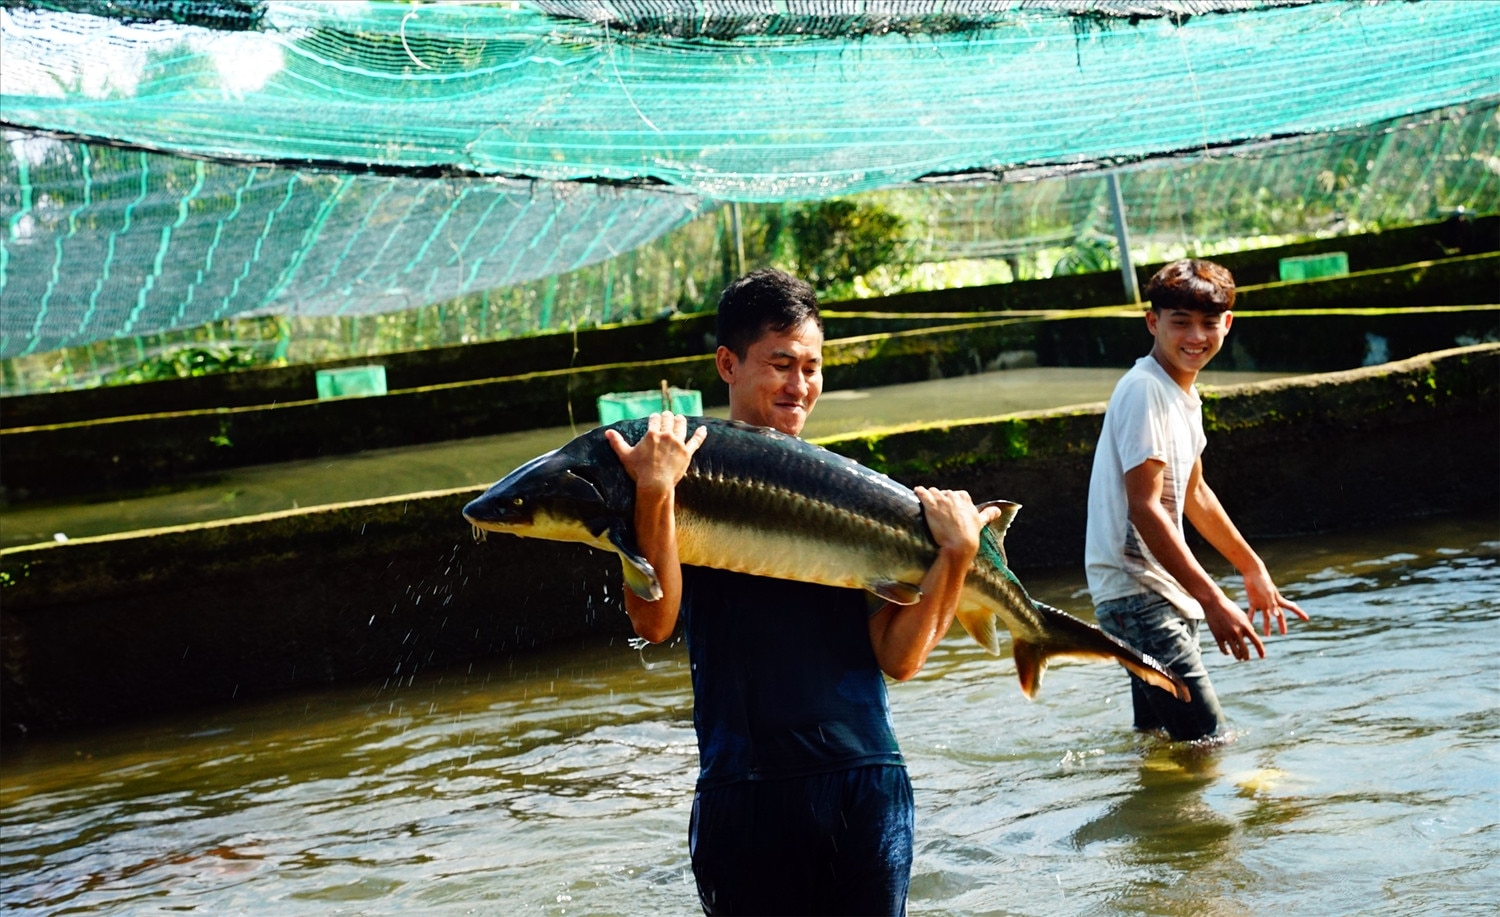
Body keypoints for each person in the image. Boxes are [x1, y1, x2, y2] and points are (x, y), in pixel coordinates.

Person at [605, 268, 999, 916]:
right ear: (727, 364)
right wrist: (653, 493)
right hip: (748, 793)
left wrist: (955, 555)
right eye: (781, 363)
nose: (801, 385)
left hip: (866, 781)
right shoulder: (672, 482)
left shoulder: (853, 498)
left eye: (812, 366)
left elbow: (899, 658)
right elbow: (654, 620)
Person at [1084, 258, 1308, 743]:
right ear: (1153, 322)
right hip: (1137, 594)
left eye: (1209, 323)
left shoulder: (1181, 395)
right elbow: (1144, 507)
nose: (1195, 336)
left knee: (1158, 740)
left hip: (1151, 592)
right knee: (1207, 742)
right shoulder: (1145, 390)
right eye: (1180, 322)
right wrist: (1213, 600)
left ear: (1227, 324)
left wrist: (1251, 568)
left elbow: (1195, 493)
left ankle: (1149, 812)